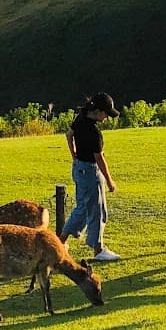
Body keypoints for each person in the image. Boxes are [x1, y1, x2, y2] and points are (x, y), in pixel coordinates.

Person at [58, 93, 122, 262]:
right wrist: (109, 181)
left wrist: (74, 156)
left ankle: (59, 243)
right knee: (97, 211)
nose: (107, 117)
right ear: (98, 111)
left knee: (83, 208)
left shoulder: (80, 119)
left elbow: (68, 135)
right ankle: (98, 249)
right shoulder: (94, 132)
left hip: (79, 169)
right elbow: (99, 158)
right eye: (106, 114)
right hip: (91, 173)